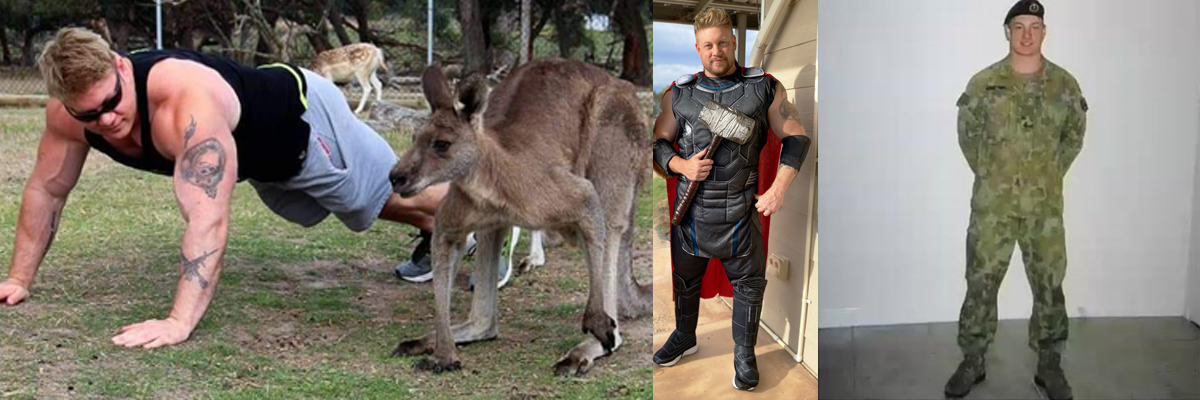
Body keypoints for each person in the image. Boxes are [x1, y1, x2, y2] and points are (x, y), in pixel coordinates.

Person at [0, 27, 461, 349]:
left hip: (303, 118)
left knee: (388, 194)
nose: (105, 120)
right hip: (264, 162)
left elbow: (208, 217)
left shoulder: (186, 101)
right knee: (369, 207)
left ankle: (484, 223)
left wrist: (179, 321)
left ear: (121, 67)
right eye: (88, 115)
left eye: (111, 102)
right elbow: (47, 191)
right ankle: (450, 230)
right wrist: (19, 279)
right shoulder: (68, 118)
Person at [650, 8, 811, 391]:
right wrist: (681, 165)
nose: (716, 51)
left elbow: (797, 137)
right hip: (690, 213)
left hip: (740, 212)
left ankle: (744, 353)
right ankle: (684, 336)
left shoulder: (764, 89)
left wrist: (779, 188)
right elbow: (657, 143)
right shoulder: (679, 93)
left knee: (749, 286)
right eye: (708, 45)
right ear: (697, 48)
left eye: (723, 42)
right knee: (685, 279)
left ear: (734, 41)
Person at [945, 1, 1086, 399]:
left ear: (1044, 32)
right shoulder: (984, 83)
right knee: (980, 283)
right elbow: (968, 137)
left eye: (1034, 26)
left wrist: (1047, 175)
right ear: (1007, 32)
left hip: (1044, 210)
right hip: (994, 209)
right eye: (1019, 26)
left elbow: (1074, 137)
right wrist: (995, 177)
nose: (1027, 34)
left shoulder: (1064, 85)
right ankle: (973, 360)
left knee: (1049, 284)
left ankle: (1049, 363)